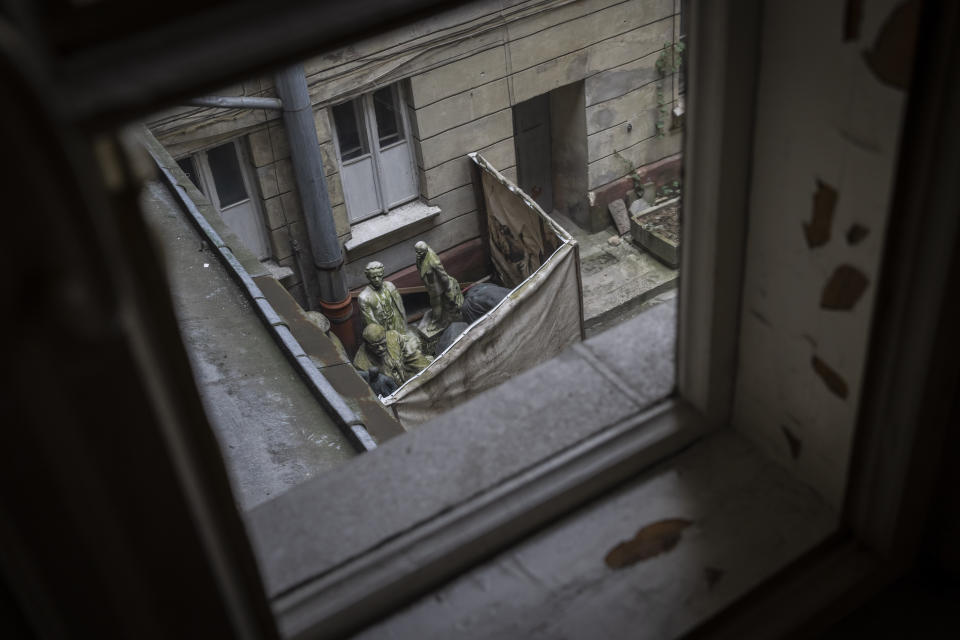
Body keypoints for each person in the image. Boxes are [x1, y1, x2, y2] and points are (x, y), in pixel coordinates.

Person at [353, 323, 431, 385]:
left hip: (407, 375)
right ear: (367, 345)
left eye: (383, 344)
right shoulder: (360, 364)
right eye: (375, 346)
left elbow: (411, 350)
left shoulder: (393, 336)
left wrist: (429, 371)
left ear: (386, 337)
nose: (380, 348)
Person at [415, 241, 463, 333]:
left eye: (420, 252)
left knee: (436, 305)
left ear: (425, 250)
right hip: (430, 287)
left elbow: (443, 275)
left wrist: (448, 288)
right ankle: (440, 318)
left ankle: (435, 322)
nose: (417, 254)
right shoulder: (420, 256)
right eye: (416, 252)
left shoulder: (433, 260)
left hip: (437, 289)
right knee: (437, 305)